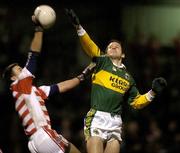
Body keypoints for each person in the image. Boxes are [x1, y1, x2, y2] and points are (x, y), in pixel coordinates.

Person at [65, 9, 167, 153]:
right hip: (97, 118)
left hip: (115, 123)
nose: (113, 46)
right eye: (110, 46)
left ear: (123, 54)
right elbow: (90, 45)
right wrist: (78, 27)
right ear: (106, 53)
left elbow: (136, 102)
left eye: (117, 46)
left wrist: (153, 92)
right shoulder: (102, 62)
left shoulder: (129, 78)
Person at [2, 15, 95, 153]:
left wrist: (83, 75)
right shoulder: (20, 84)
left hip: (38, 139)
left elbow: (61, 87)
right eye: (15, 69)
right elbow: (33, 55)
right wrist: (39, 29)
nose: (20, 68)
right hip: (42, 134)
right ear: (12, 78)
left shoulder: (33, 91)